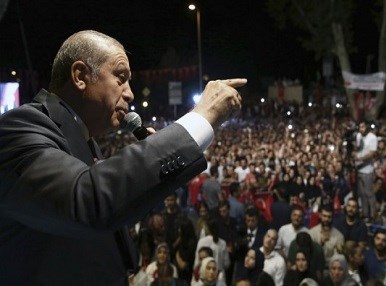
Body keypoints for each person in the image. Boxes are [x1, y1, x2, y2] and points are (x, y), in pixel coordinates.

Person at [0, 30, 246, 285]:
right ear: (80, 76)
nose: (129, 94)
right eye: (120, 78)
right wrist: (202, 117)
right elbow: (89, 200)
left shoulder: (88, 144)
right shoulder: (17, 129)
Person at [354, 121, 378, 220]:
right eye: (360, 127)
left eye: (363, 127)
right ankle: (365, 213)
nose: (361, 129)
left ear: (367, 127)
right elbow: (357, 148)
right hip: (358, 168)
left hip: (367, 169)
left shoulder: (372, 137)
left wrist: (360, 159)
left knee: (369, 193)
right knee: (362, 193)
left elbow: (372, 153)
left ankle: (373, 214)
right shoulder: (358, 136)